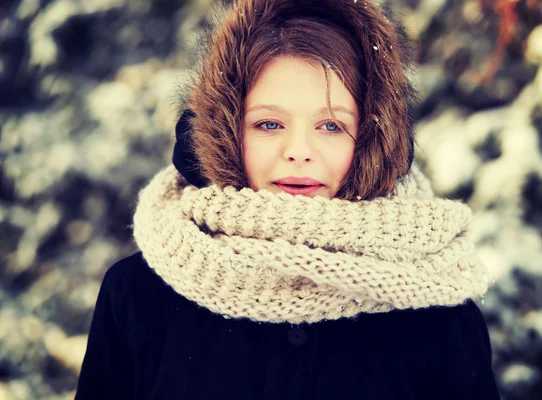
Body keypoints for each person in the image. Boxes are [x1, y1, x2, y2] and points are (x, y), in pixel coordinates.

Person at [75, 0, 500, 398]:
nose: (299, 150)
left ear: (372, 135)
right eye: (269, 124)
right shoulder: (139, 295)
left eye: (331, 126)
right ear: (226, 129)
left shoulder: (436, 306)